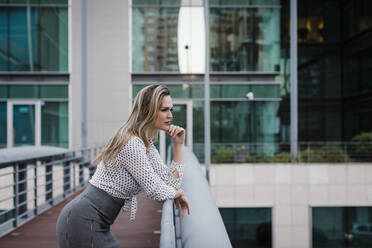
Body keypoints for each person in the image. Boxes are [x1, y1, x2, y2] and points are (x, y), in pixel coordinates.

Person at [56, 85, 190, 248]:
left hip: (97, 221)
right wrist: (178, 193)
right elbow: (156, 191)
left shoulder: (146, 144)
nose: (170, 115)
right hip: (84, 220)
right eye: (164, 110)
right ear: (148, 110)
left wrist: (179, 145)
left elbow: (169, 184)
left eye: (171, 110)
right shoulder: (132, 143)